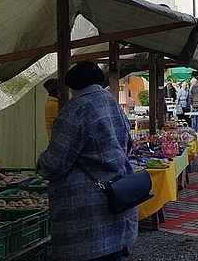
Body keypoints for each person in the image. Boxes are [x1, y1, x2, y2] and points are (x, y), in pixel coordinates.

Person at [36, 61, 137, 260]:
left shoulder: (75, 109)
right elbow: (127, 146)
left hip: (87, 208)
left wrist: (41, 166)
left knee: (92, 254)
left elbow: (55, 163)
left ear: (73, 86)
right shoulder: (112, 103)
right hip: (116, 195)